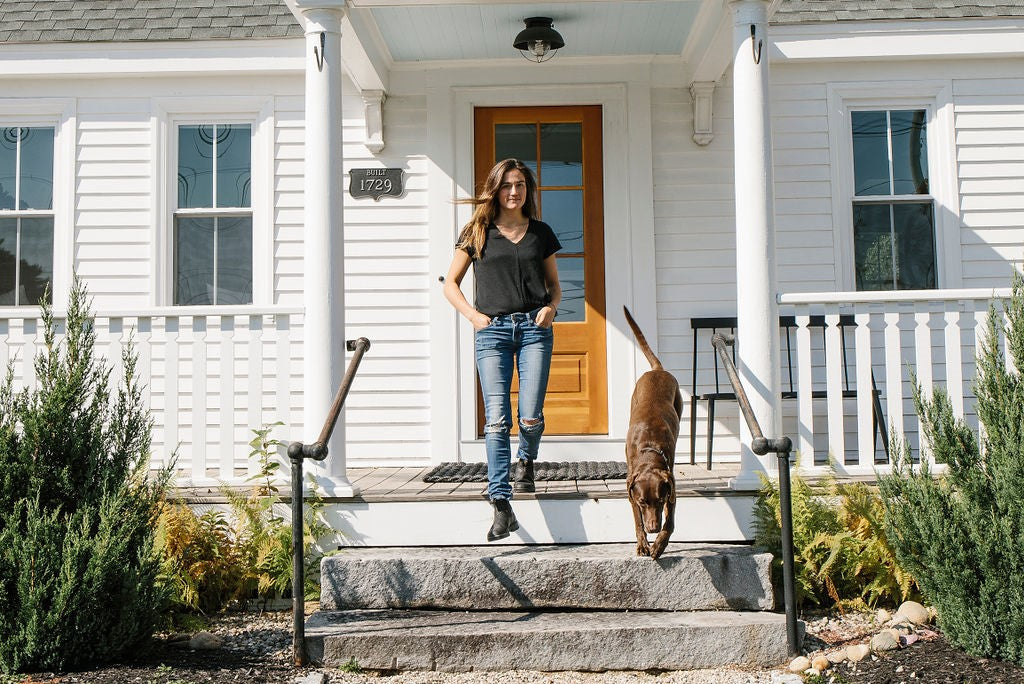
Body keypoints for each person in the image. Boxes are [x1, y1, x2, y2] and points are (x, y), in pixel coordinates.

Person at [443, 158, 562, 542]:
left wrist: (551, 308)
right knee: (496, 419)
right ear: (496, 189)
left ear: (528, 190)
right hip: (492, 332)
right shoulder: (477, 231)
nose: (514, 192)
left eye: (521, 185)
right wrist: (474, 317)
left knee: (529, 416)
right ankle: (500, 501)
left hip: (533, 330)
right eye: (508, 185)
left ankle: (526, 460)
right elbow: (451, 284)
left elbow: (555, 286)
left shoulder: (540, 233)